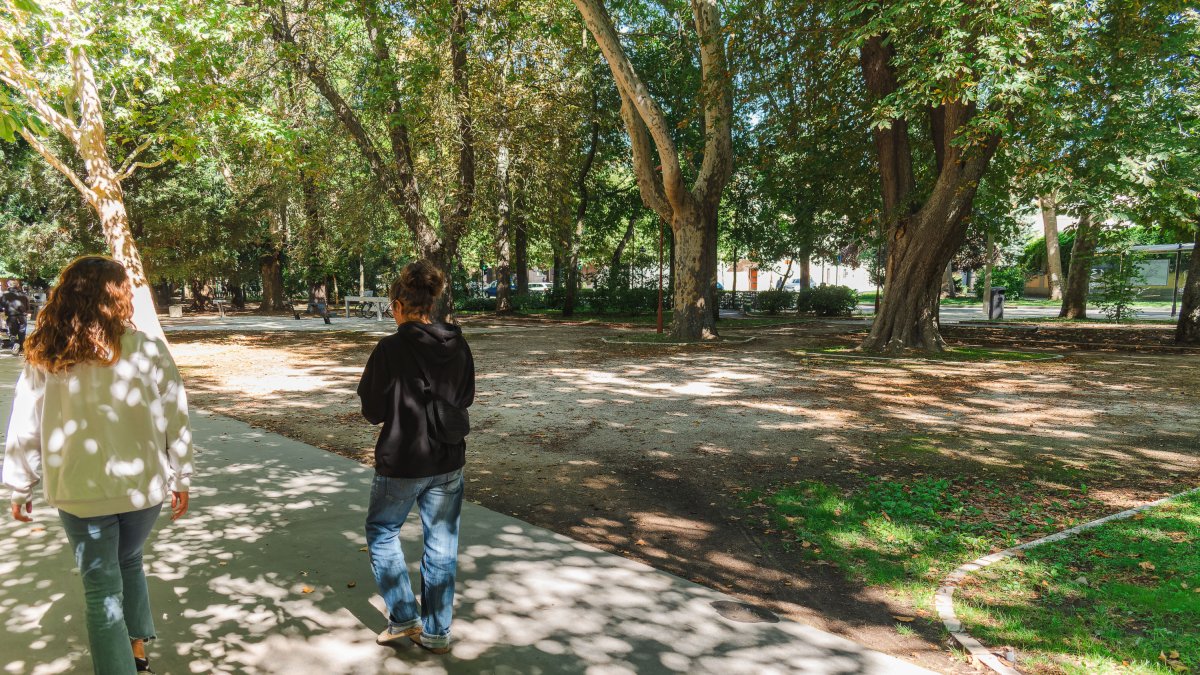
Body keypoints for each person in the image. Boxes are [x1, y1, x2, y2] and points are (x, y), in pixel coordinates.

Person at [3, 256, 194, 675]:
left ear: (65, 293)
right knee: (129, 560)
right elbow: (176, 416)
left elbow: (24, 427)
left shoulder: (46, 353)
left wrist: (20, 485)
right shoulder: (146, 348)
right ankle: (137, 649)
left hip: (78, 491)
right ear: (120, 296)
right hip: (141, 488)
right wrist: (181, 475)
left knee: (101, 588)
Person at [357, 260, 474, 655]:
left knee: (382, 532)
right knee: (442, 545)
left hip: (402, 459)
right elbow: (466, 398)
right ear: (432, 303)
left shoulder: (390, 348)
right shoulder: (458, 344)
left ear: (396, 306)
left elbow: (372, 410)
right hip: (448, 459)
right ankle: (438, 633)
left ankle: (405, 616)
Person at [3, 280, 30, 353]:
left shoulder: (5, 294)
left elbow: (2, 305)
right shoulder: (24, 294)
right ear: (17, 286)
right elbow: (28, 306)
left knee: (12, 333)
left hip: (12, 316)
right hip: (22, 316)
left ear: (8, 286)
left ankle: (15, 344)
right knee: (22, 333)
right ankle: (22, 349)